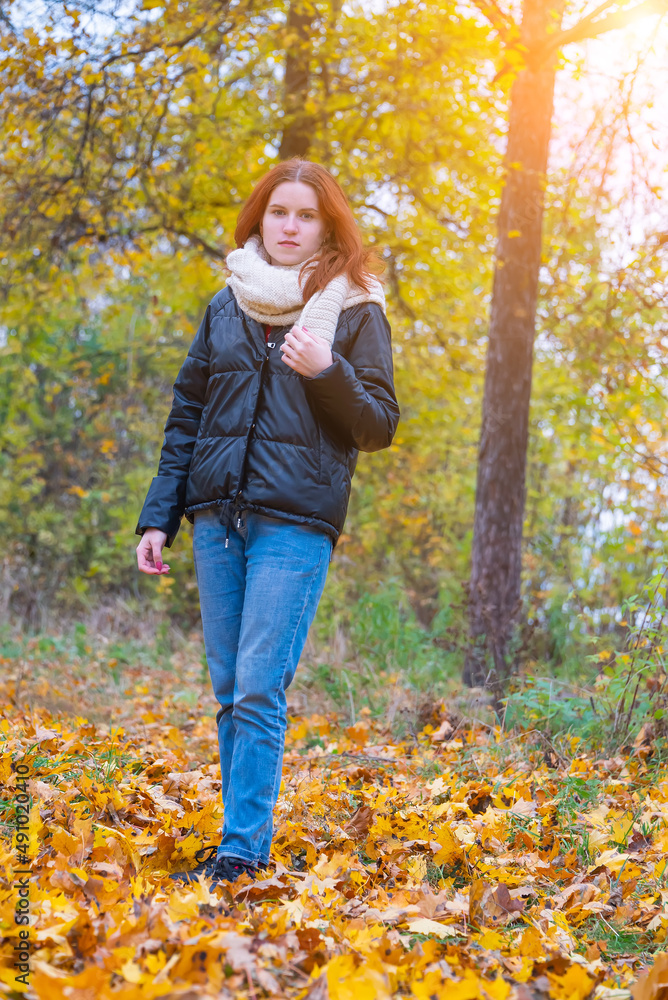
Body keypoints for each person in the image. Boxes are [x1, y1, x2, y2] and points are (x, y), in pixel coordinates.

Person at [135, 158, 400, 885]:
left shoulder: (354, 310)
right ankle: (236, 841)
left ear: (328, 225)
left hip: (293, 523)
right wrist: (158, 516)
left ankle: (244, 854)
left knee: (258, 685)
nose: (289, 226)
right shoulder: (228, 304)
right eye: (277, 212)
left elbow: (377, 425)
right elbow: (188, 414)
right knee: (229, 689)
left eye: (305, 215)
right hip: (216, 518)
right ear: (259, 219)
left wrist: (326, 370)